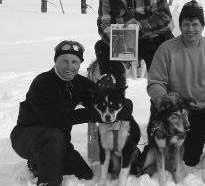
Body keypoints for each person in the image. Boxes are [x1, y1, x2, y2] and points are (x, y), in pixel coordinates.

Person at [10, 40, 133, 186]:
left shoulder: (80, 83)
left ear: (80, 63)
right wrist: (94, 114)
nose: (70, 66)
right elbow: (56, 120)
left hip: (59, 141)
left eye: (74, 62)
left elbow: (103, 101)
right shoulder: (42, 82)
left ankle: (38, 163)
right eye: (64, 61)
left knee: (84, 174)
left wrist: (120, 107)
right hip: (27, 137)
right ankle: (49, 182)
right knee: (53, 134)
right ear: (56, 60)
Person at [147, 0, 205, 166]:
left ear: (202, 26)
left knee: (189, 160)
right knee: (173, 157)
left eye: (195, 24)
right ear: (180, 25)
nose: (190, 29)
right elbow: (155, 83)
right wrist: (168, 103)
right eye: (186, 24)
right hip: (174, 111)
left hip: (204, 110)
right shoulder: (166, 49)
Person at [95, 0, 174, 87]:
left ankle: (162, 99)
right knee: (101, 47)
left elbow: (165, 16)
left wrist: (142, 25)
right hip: (125, 40)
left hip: (155, 37)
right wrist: (118, 47)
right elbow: (103, 26)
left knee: (160, 65)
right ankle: (114, 94)